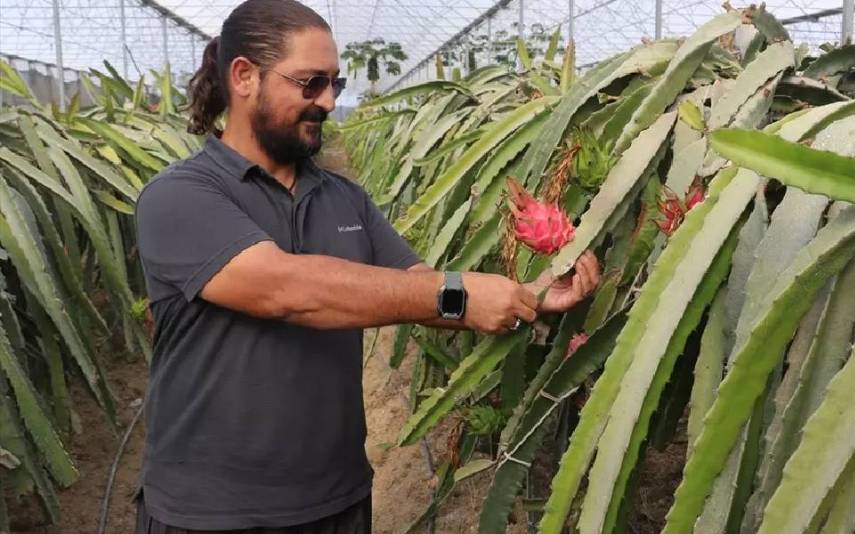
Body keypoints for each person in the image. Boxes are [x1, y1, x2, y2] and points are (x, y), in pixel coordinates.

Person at [132, 0, 602, 532]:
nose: (330, 101)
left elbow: (416, 287)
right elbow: (285, 289)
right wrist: (463, 296)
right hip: (208, 511)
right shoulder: (179, 196)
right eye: (310, 83)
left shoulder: (343, 198)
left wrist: (528, 295)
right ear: (244, 77)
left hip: (338, 500)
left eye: (336, 82)